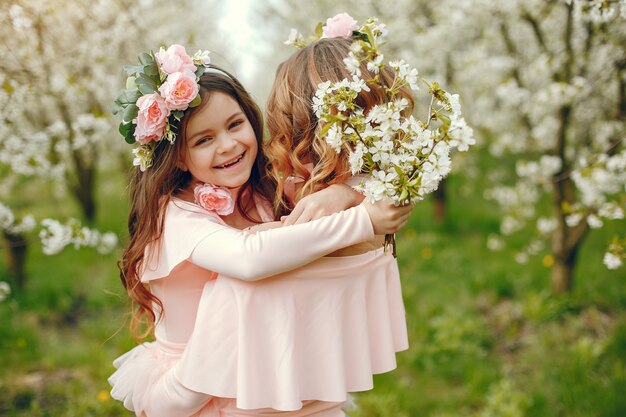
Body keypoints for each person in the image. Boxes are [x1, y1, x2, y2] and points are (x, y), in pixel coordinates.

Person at [109, 45, 412, 417]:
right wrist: (360, 221)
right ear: (179, 157)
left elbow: (382, 184)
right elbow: (248, 259)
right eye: (203, 140)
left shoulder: (261, 192)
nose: (228, 145)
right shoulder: (175, 218)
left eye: (235, 124)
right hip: (201, 395)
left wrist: (342, 193)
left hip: (269, 383)